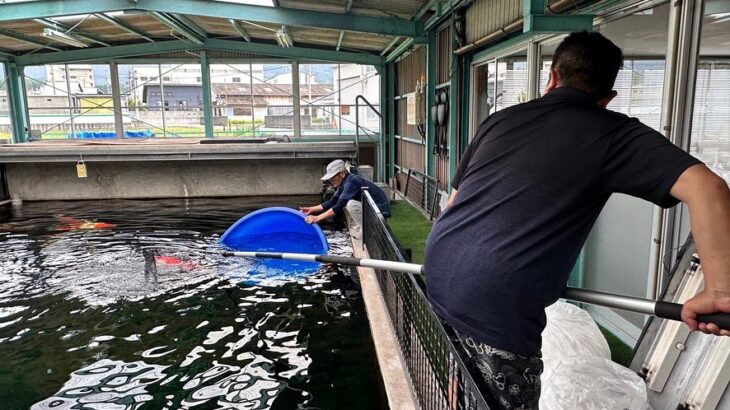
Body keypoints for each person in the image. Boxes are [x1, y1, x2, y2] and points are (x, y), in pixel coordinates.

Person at [424, 31, 730, 409]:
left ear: (551, 77)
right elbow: (708, 188)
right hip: (497, 300)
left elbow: (453, 204)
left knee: (463, 377)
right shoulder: (614, 133)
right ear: (608, 97)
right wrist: (719, 291)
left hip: (439, 272)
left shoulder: (501, 120)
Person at [301, 159, 391, 238]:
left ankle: (368, 231)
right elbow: (332, 201)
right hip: (372, 208)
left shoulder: (351, 182)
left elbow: (339, 206)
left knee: (351, 204)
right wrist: (311, 209)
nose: (330, 181)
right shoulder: (344, 181)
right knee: (349, 203)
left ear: (342, 174)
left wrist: (317, 218)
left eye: (332, 177)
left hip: (380, 212)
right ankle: (363, 226)